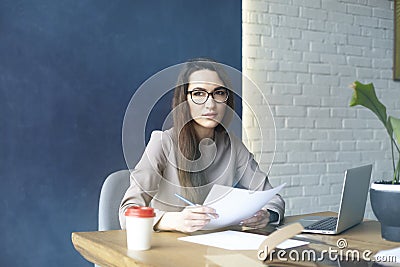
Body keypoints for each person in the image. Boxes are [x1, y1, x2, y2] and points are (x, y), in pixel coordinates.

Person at [119, 58, 284, 233]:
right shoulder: (162, 142)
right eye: (199, 93)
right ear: (184, 100)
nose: (210, 104)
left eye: (219, 93)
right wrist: (173, 220)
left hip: (215, 247)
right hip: (171, 249)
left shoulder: (232, 145)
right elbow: (127, 213)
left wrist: (266, 214)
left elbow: (273, 198)